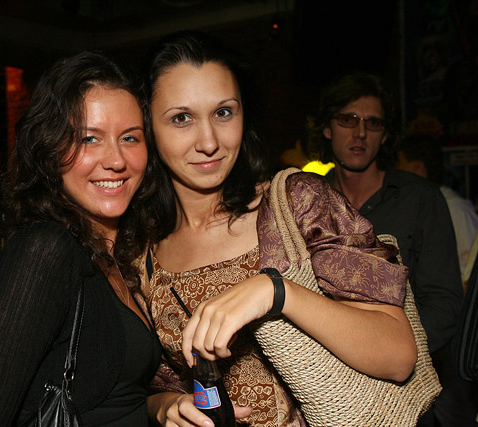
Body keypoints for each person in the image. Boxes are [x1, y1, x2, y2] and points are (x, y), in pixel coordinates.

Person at [143, 33, 417, 427]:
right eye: (181, 118)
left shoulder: (297, 204)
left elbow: (398, 357)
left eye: (224, 113)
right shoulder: (143, 252)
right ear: (149, 128)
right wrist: (165, 405)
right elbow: (149, 385)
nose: (209, 141)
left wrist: (276, 291)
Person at [0, 51, 162, 426]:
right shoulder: (44, 251)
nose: (116, 160)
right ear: (50, 148)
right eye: (89, 138)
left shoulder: (117, 254)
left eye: (129, 138)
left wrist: (164, 405)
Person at [307, 72, 469, 426]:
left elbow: (445, 304)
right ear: (327, 129)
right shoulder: (307, 202)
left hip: (408, 394)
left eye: (373, 123)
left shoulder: (420, 199)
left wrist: (380, 350)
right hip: (326, 392)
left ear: (385, 134)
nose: (360, 133)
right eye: (348, 120)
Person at [395, 133, 478, 286]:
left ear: (417, 167)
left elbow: (470, 271)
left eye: (399, 164)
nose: (395, 171)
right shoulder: (412, 206)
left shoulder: (455, 208)